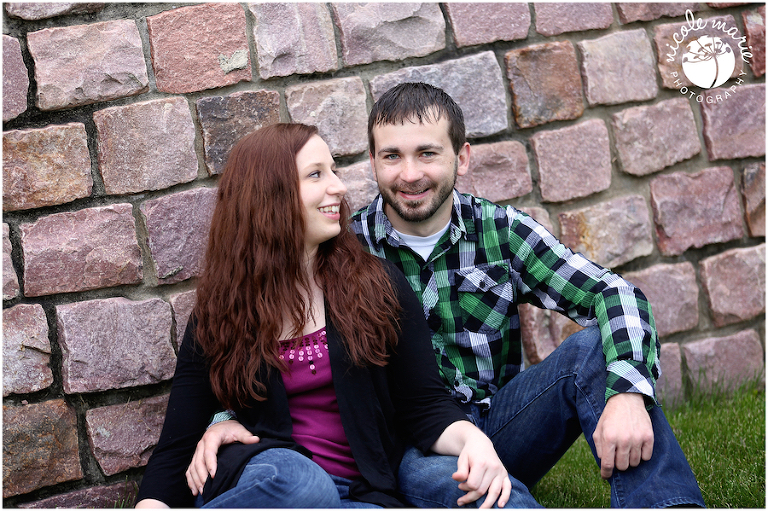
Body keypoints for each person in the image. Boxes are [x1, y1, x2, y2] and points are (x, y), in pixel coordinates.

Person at [191, 84, 705, 508]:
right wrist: (224, 419)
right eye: (392, 156)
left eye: (427, 154)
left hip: (500, 419)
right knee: (457, 487)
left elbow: (614, 294)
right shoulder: (346, 246)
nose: (409, 174)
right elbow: (269, 340)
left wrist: (627, 392)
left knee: (598, 349)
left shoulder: (501, 232)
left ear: (462, 156)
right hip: (413, 445)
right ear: (372, 162)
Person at [134, 123, 533, 509]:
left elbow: (424, 405)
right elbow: (176, 449)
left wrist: (473, 441)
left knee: (489, 492)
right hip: (270, 478)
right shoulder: (221, 312)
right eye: (316, 174)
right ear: (269, 194)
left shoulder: (375, 284)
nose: (338, 187)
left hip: (361, 492)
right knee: (303, 484)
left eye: (334, 171)